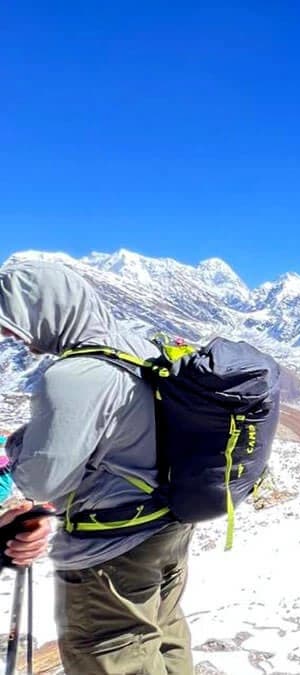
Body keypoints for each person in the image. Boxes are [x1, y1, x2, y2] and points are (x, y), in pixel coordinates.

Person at [0, 260, 195, 674]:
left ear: (45, 311)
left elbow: (43, 479)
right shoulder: (141, 348)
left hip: (111, 545)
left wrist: (18, 445)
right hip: (170, 525)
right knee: (164, 636)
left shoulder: (72, 374)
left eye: (14, 323)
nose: (17, 339)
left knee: (111, 651)